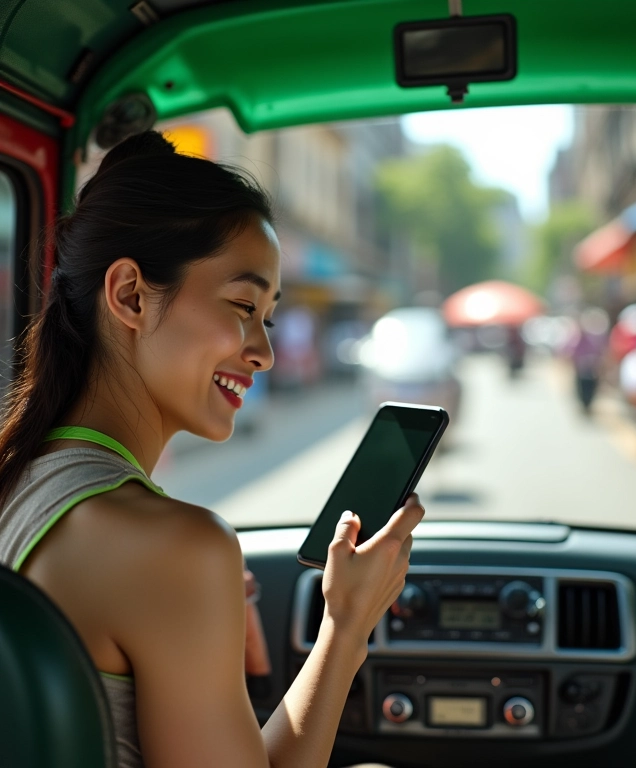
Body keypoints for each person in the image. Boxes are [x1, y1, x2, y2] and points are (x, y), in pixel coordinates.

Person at [0, 132, 423, 768]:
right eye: (242, 306)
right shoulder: (178, 549)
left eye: (269, 317)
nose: (265, 352)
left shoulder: (20, 477)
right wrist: (346, 625)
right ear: (130, 296)